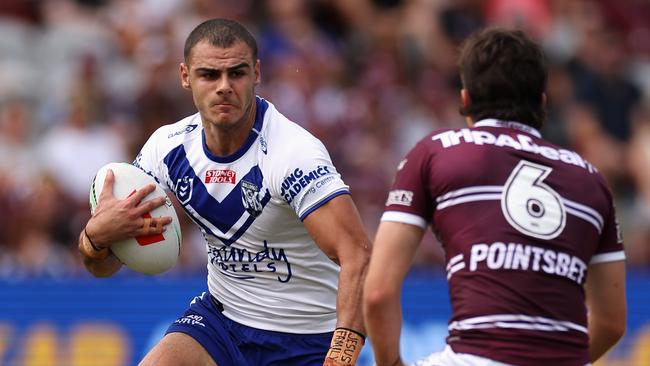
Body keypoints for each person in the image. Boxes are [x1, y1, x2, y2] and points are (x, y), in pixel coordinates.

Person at [77, 18, 370, 366]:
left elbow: (358, 254)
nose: (224, 86)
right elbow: (103, 267)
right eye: (209, 75)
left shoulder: (294, 154)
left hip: (307, 336)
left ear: (257, 73)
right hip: (222, 322)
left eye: (237, 73)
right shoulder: (166, 148)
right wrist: (95, 238)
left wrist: (343, 352)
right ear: (186, 77)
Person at [363, 28, 626, 366]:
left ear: (466, 99)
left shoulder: (435, 153)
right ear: (543, 103)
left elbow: (378, 292)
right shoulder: (591, 179)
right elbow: (611, 322)